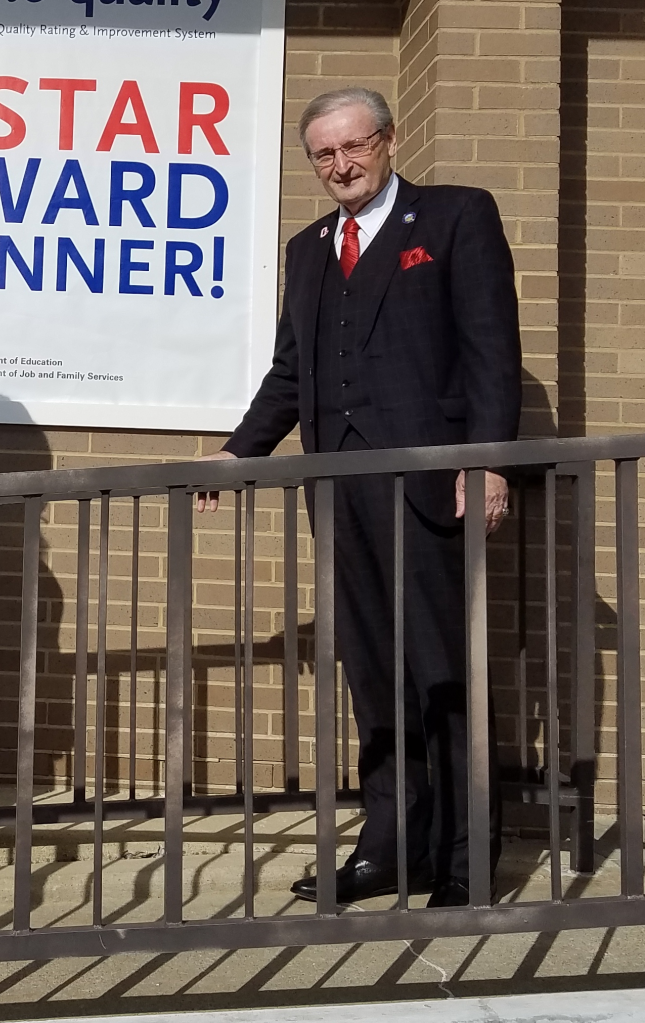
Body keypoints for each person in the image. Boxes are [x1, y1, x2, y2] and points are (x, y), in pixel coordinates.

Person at [201, 88, 520, 908]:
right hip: (339, 496)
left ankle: (465, 858)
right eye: (324, 155)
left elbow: (491, 348)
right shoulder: (308, 249)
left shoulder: (454, 218)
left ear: (386, 140)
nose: (341, 165)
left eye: (354, 147)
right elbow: (289, 373)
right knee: (373, 675)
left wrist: (487, 464)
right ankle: (392, 843)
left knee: (444, 671)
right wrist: (239, 452)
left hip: (428, 490)